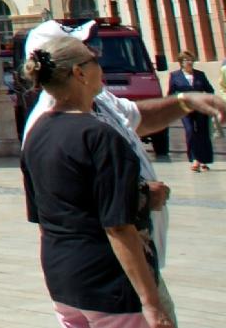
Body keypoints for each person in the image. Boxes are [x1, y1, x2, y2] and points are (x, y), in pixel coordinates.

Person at [23, 19, 226, 312]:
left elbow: (136, 118)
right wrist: (141, 197)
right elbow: (66, 208)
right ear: (74, 70)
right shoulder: (65, 126)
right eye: (89, 52)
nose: (97, 54)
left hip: (84, 275)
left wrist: (185, 102)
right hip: (113, 273)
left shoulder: (95, 101)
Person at [21, 34, 174, 326]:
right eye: (95, 60)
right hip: (109, 283)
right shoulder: (99, 136)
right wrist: (151, 303)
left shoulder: (37, 133)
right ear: (79, 72)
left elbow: (43, 218)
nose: (100, 67)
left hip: (62, 279)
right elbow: (118, 226)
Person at [166, 54, 215, 173]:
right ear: (181, 62)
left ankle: (203, 161)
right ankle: (194, 159)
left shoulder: (200, 74)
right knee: (190, 131)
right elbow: (171, 93)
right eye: (186, 60)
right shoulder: (175, 75)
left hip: (200, 107)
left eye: (191, 60)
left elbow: (210, 90)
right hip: (184, 108)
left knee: (203, 133)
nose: (189, 62)